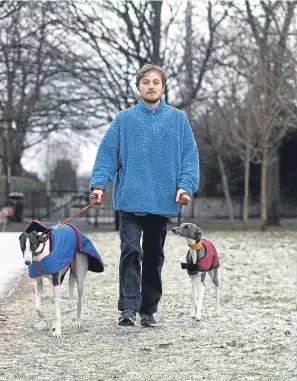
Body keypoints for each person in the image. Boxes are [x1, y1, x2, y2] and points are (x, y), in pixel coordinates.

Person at [89, 64, 199, 327]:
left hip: (160, 203)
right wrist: (99, 185)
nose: (151, 86)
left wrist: (185, 186)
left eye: (156, 82)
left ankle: (148, 310)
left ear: (163, 87)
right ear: (138, 87)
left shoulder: (178, 120)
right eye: (146, 82)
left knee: (153, 256)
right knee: (130, 251)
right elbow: (107, 155)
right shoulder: (124, 120)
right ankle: (127, 308)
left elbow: (189, 158)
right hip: (130, 202)